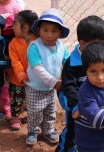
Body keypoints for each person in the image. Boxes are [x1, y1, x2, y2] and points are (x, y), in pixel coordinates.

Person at [56, 15, 104, 152]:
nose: (102, 47)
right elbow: (69, 88)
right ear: (83, 44)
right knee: (72, 137)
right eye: (98, 43)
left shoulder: (102, 60)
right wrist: (75, 106)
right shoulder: (72, 64)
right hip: (77, 112)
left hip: (97, 109)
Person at [25, 8, 70, 145]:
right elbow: (38, 68)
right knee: (35, 112)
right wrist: (54, 82)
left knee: (50, 111)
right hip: (35, 88)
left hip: (51, 89)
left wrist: (69, 76)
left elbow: (67, 63)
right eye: (45, 30)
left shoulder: (61, 47)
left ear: (60, 33)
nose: (49, 35)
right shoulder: (34, 47)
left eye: (54, 31)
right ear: (38, 30)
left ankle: (48, 130)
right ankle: (33, 131)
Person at [8, 10, 38, 130]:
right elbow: (16, 62)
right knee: (17, 98)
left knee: (33, 98)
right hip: (18, 79)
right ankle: (15, 117)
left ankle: (31, 114)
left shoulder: (38, 41)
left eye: (15, 24)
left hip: (35, 78)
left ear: (25, 27)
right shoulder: (13, 43)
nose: (12, 27)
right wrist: (22, 77)